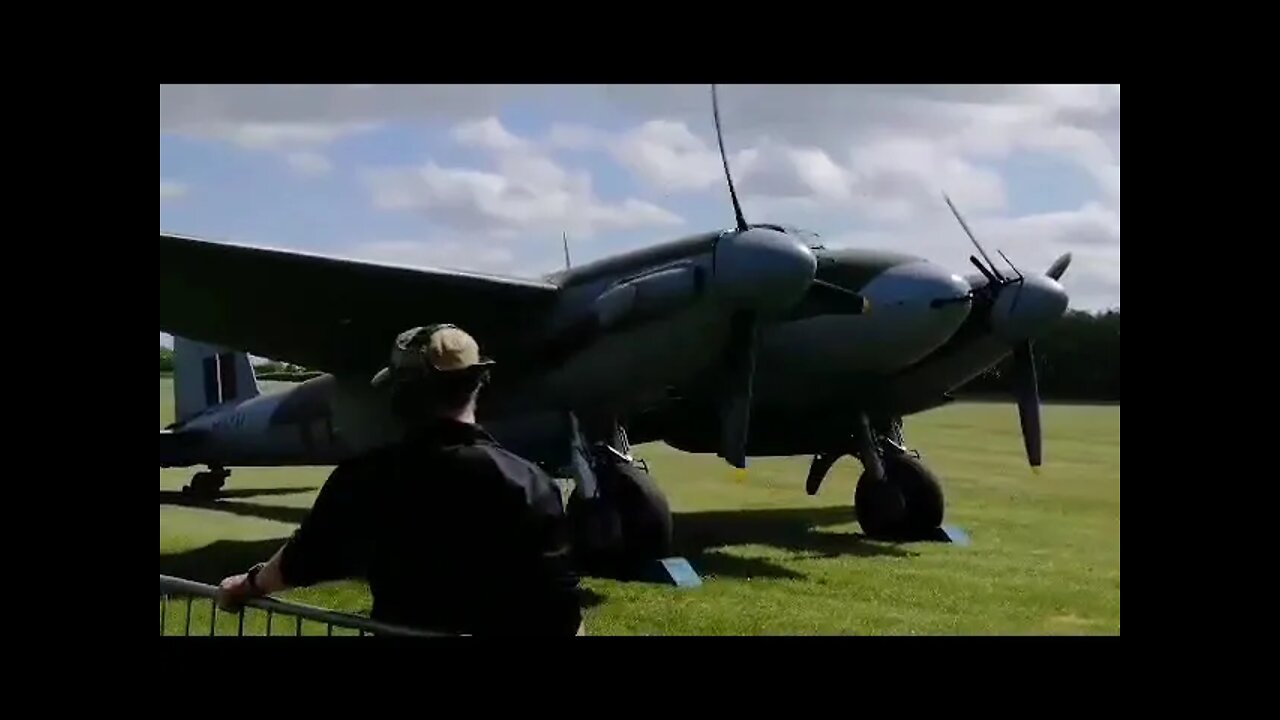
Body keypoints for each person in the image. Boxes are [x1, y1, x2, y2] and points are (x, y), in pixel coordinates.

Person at [215, 324, 584, 636]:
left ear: (400, 394)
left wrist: (248, 585)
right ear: (478, 384)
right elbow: (562, 607)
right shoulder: (530, 482)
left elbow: (305, 558)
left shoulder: (366, 477)